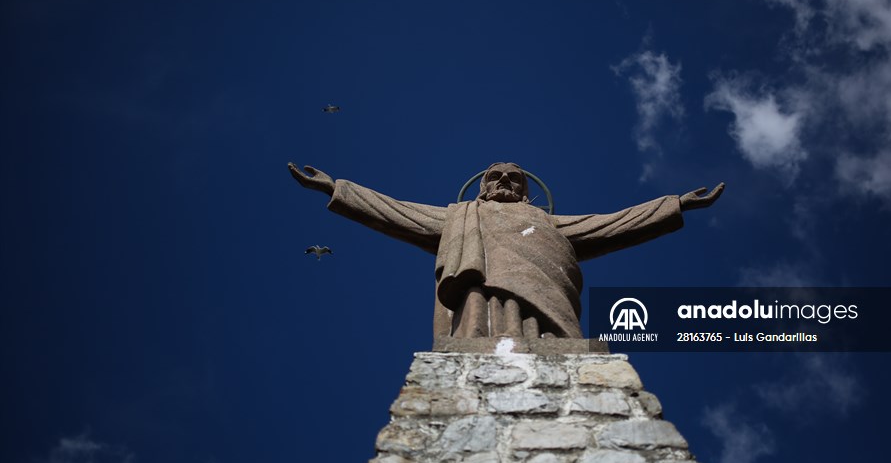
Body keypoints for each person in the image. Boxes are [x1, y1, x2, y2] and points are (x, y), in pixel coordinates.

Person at [288, 161, 723, 340]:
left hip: (548, 298)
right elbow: (395, 211)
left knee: (548, 338)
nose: (504, 182)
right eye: (495, 176)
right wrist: (336, 189)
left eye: (514, 179)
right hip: (480, 291)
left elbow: (613, 224)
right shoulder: (461, 216)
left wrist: (675, 205)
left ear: (527, 191)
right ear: (482, 185)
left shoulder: (548, 222)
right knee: (479, 322)